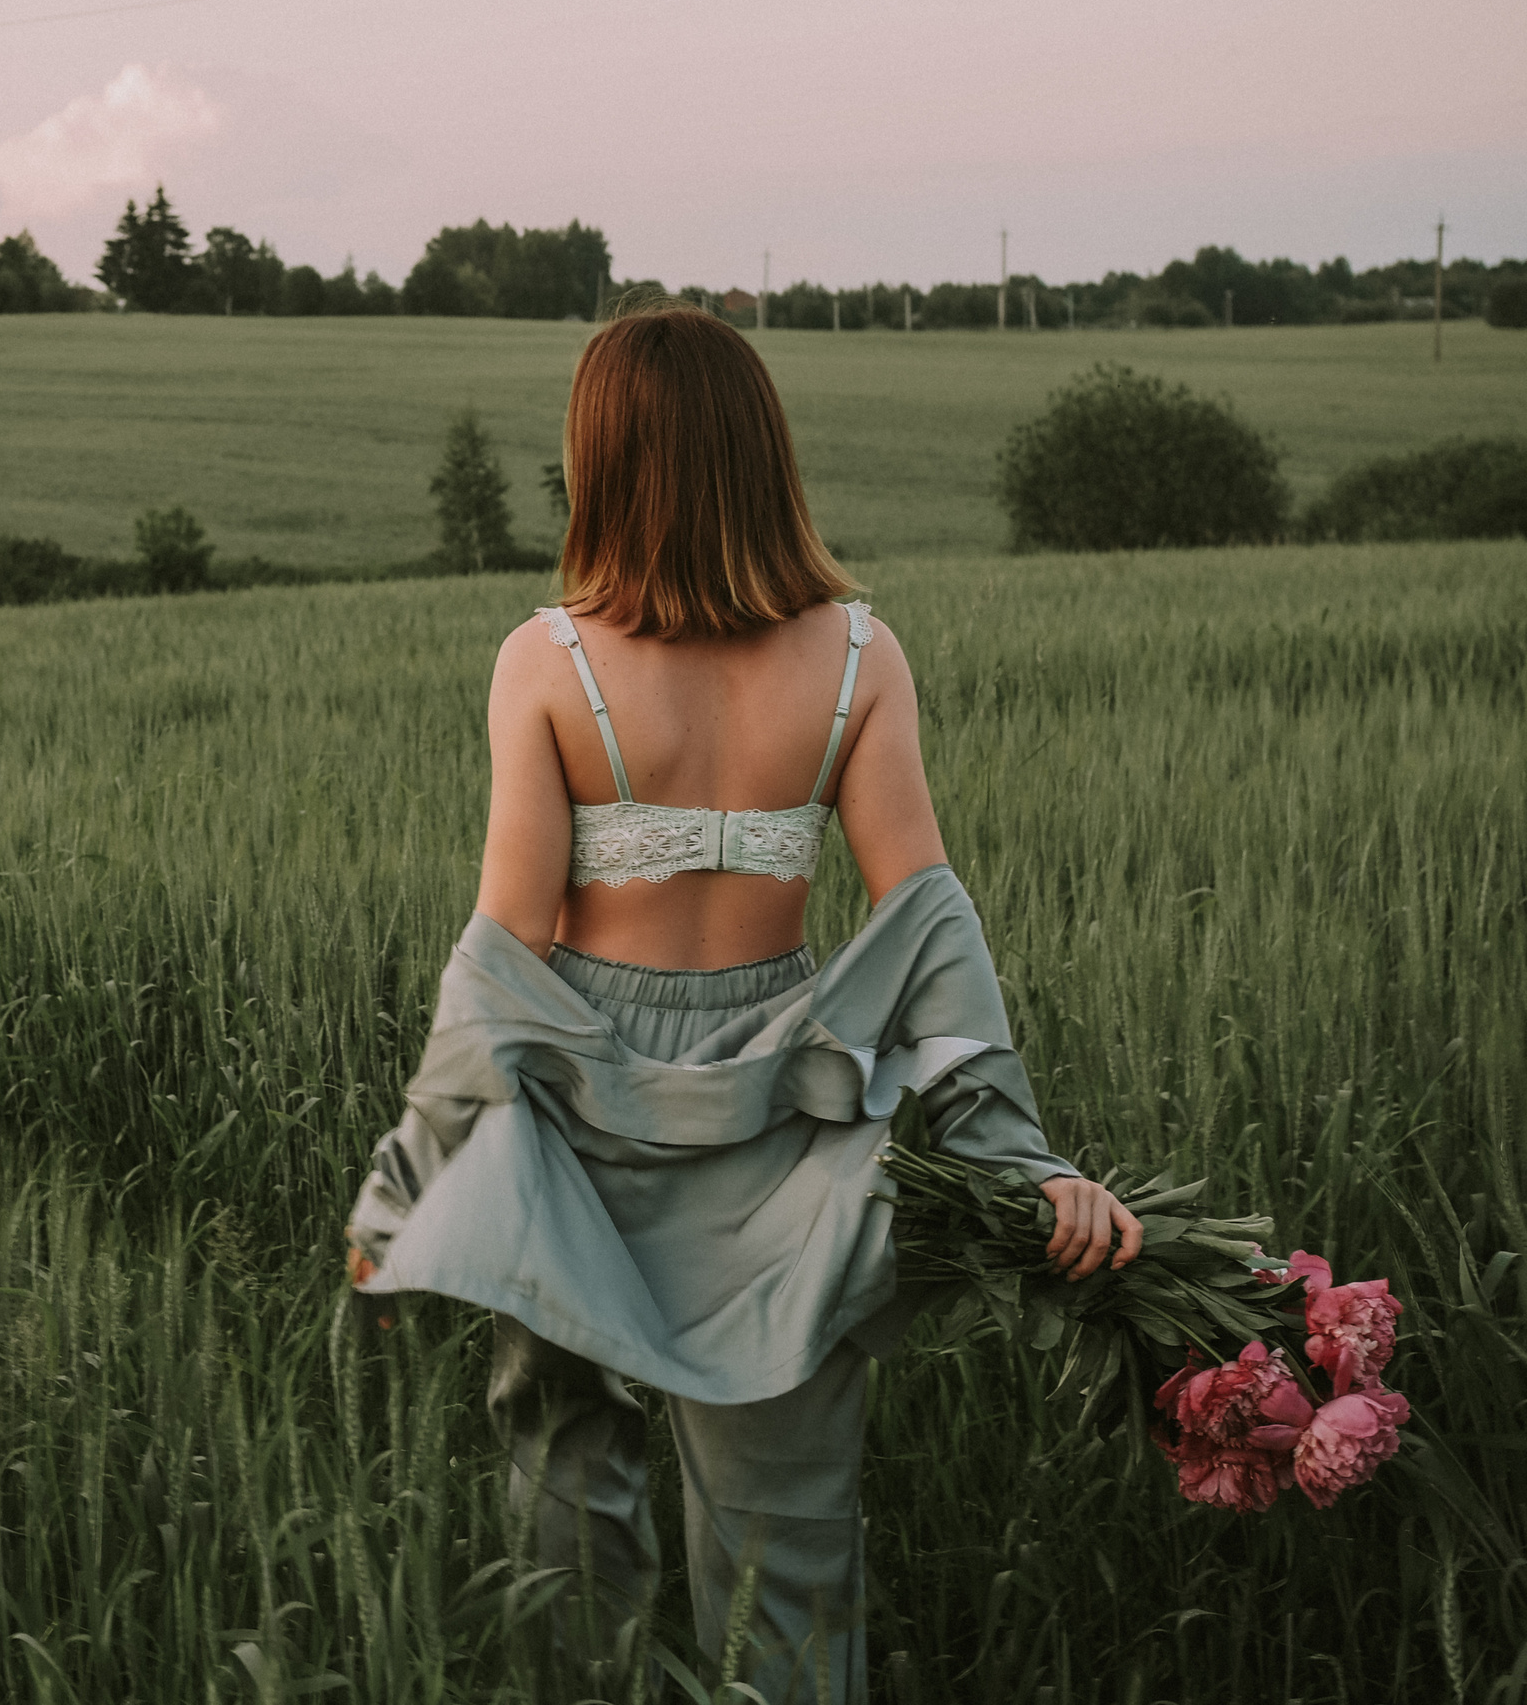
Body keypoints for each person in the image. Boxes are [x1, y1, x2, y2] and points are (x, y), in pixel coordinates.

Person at [343, 304, 1142, 1703]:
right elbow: (928, 926)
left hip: (577, 1107)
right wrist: (1019, 1157)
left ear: (606, 461)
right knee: (789, 1533)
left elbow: (506, 951)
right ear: (760, 452)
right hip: (785, 1118)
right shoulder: (859, 658)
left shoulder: (548, 660)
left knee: (563, 1469)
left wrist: (407, 1176)